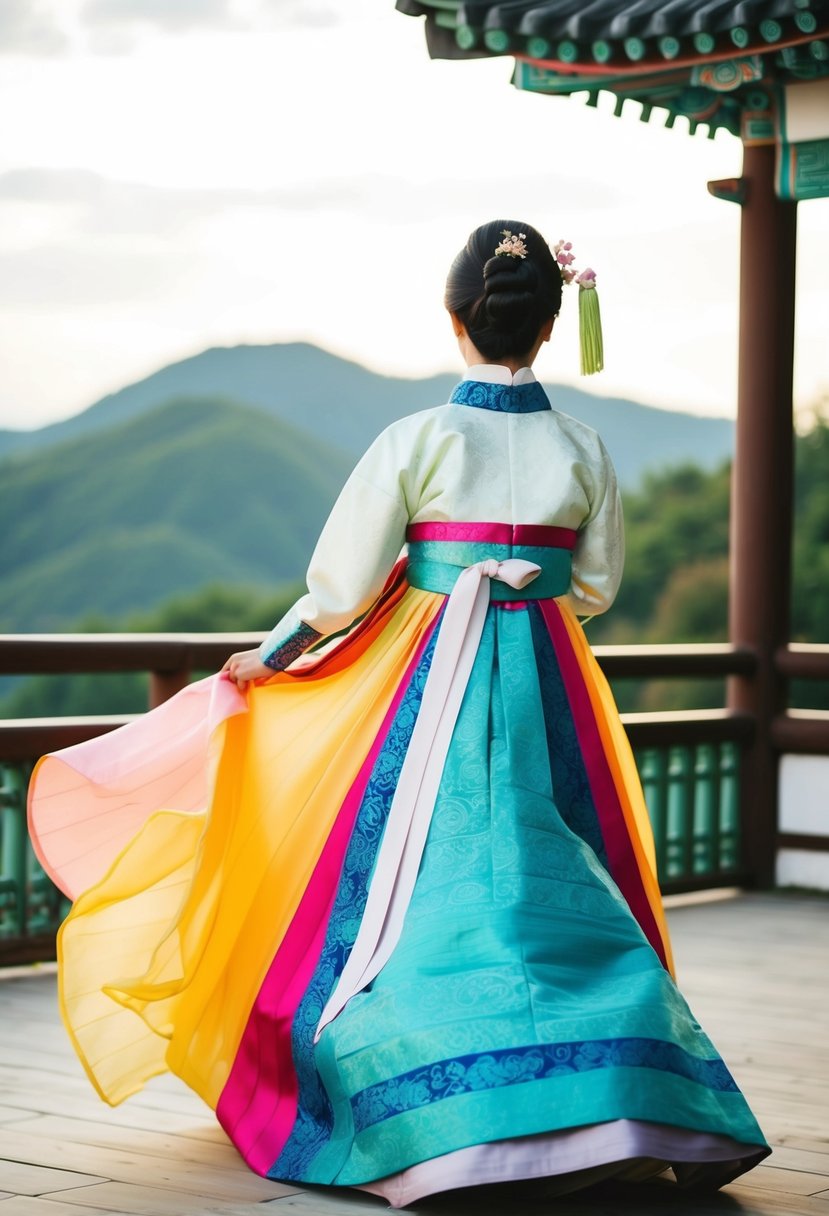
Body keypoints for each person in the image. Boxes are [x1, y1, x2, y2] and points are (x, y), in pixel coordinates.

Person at [28, 220, 769, 1207]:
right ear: (551, 326)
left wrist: (278, 651)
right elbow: (593, 587)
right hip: (543, 667)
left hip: (431, 673)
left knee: (416, 877)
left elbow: (337, 591)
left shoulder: (418, 440)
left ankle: (446, 1118)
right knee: (556, 864)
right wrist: (523, 593)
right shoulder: (581, 446)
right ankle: (628, 1098)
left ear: (454, 317)